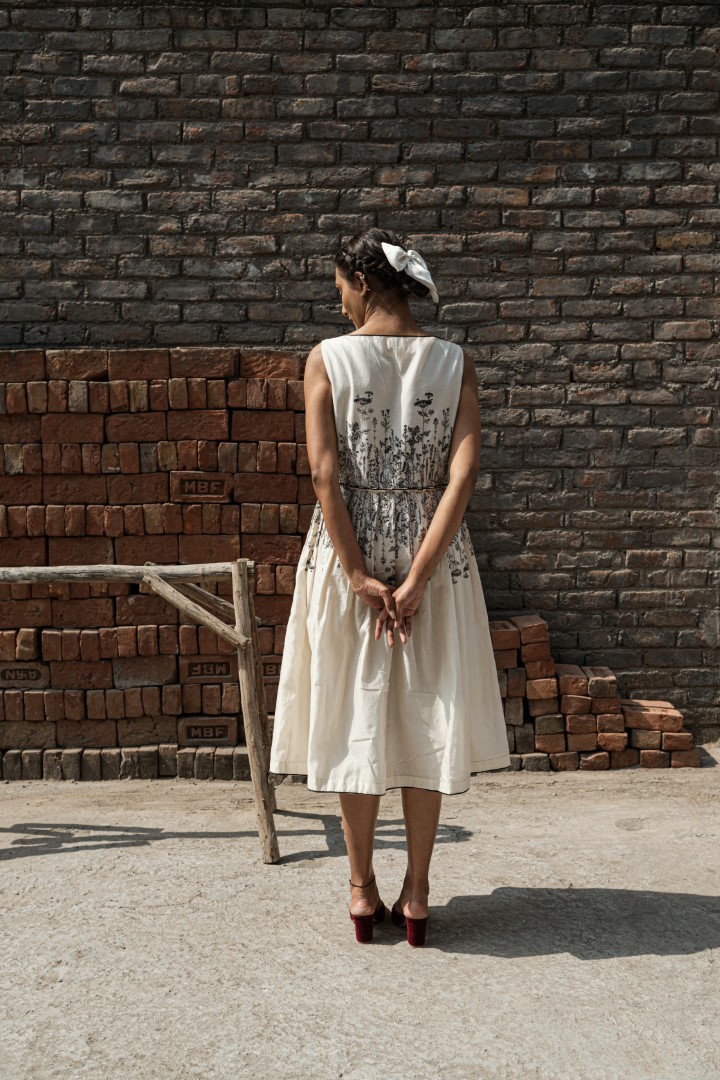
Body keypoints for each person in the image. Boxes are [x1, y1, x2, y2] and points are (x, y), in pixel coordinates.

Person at [268, 227, 511, 946]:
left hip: (351, 547)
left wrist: (356, 573)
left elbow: (324, 475)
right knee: (428, 713)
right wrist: (420, 577)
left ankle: (360, 886)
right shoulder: (455, 361)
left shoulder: (327, 358)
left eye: (340, 287)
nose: (338, 301)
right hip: (437, 551)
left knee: (356, 711)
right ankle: (419, 892)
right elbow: (463, 475)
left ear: (365, 282)